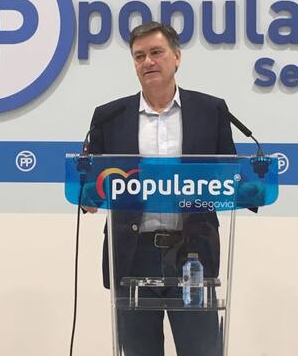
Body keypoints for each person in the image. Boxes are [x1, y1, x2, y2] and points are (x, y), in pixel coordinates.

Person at [86, 21, 236, 356]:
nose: (147, 62)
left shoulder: (211, 111)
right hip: (133, 255)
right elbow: (93, 181)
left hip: (193, 255)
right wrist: (87, 195)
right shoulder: (109, 116)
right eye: (139, 56)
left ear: (177, 57)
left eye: (156, 52)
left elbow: (230, 175)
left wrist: (243, 186)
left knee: (201, 350)